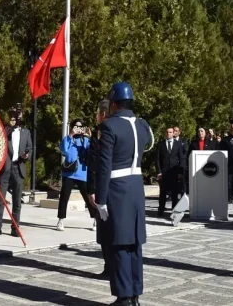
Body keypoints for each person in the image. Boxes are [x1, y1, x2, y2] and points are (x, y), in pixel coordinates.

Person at [95, 82, 153, 306]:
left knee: (119, 243)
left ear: (114, 104)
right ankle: (135, 294)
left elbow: (104, 166)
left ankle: (124, 297)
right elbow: (147, 144)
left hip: (117, 188)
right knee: (134, 244)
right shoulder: (142, 125)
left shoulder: (109, 127)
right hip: (137, 187)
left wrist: (101, 199)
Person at [0, 106, 32, 237]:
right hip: (6, 168)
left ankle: (15, 227)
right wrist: (10, 125)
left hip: (18, 167)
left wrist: (27, 155)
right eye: (14, 115)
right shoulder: (5, 130)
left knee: (17, 200)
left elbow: (30, 148)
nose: (17, 117)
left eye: (19, 114)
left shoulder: (26, 132)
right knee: (1, 199)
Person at [86, 99, 112, 279]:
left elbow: (95, 163)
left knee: (104, 231)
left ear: (102, 114)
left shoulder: (101, 132)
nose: (96, 116)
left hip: (102, 188)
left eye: (97, 113)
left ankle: (109, 266)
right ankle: (111, 266)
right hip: (116, 188)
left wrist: (92, 189)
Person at [57, 119, 95, 231]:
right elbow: (63, 150)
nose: (78, 129)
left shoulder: (86, 141)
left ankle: (95, 219)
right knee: (64, 198)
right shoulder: (69, 139)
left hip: (83, 173)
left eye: (81, 126)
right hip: (69, 173)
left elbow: (92, 154)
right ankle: (61, 220)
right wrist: (70, 135)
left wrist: (89, 138)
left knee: (89, 198)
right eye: (76, 126)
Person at [156, 127, 185, 217]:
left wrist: (180, 172)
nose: (169, 134)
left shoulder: (178, 144)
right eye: (167, 132)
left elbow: (181, 158)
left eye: (170, 132)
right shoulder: (160, 144)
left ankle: (174, 211)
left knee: (174, 192)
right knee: (163, 192)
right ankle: (161, 209)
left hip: (174, 172)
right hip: (164, 173)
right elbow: (157, 159)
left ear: (173, 134)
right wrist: (159, 172)